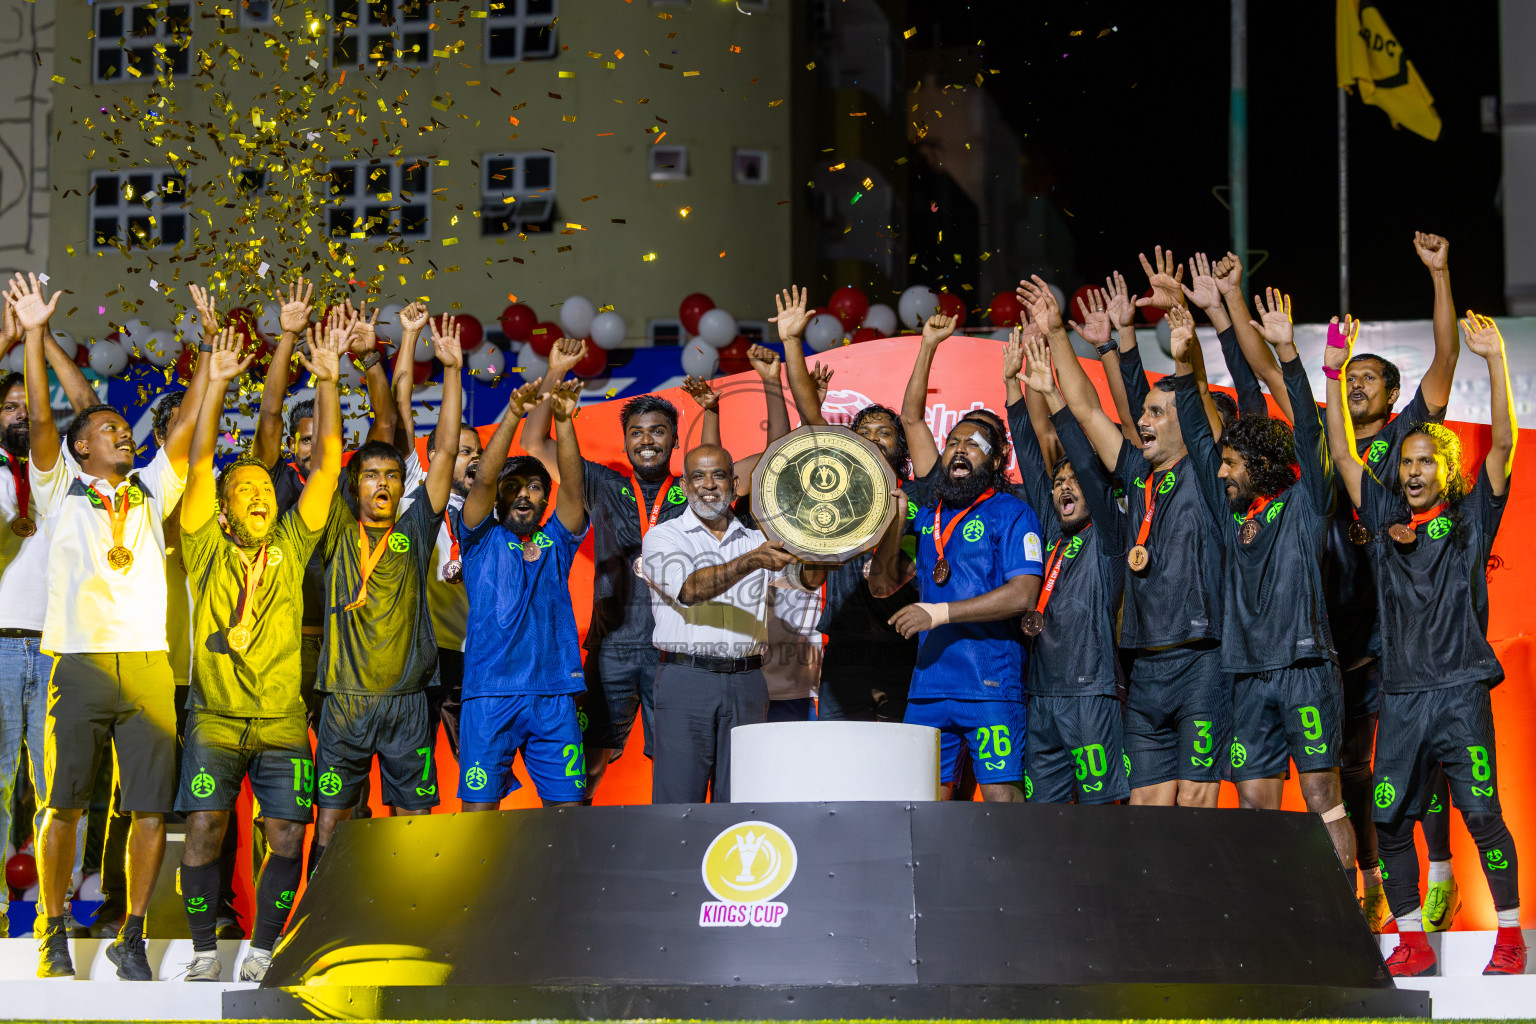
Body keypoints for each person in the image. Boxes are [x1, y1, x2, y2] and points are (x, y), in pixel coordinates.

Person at [1226, 234, 1464, 927]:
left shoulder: (1405, 440)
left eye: (1371, 378)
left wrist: (1441, 275)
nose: (1356, 383)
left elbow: (1446, 358)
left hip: (1396, 627)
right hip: (1331, 636)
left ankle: (1441, 865)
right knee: (1352, 772)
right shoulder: (1323, 449)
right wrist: (1233, 299)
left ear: (1393, 394)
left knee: (1419, 752)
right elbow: (1267, 367)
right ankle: (1369, 888)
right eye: (1348, 375)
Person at [12, 272, 202, 979]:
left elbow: (182, 432)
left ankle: (131, 932)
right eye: (106, 430)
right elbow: (40, 419)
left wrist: (210, 356)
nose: (122, 433)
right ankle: (52, 927)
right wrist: (34, 335)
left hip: (149, 665)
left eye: (125, 429)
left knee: (150, 810)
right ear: (81, 448)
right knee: (65, 806)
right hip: (82, 662)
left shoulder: (151, 490)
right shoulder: (61, 489)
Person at [1326, 311, 1524, 977]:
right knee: (1385, 821)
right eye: (1405, 462)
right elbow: (1348, 455)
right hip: (1402, 698)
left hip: (1460, 695)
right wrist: (1331, 370)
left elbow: (1501, 443)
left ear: (1444, 468)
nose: (1411, 472)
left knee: (1481, 814)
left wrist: (1494, 360)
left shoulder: (1469, 524)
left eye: (1422, 462)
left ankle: (1510, 934)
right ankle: (1409, 938)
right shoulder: (1383, 520)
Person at [176, 322, 343, 982]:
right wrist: (215, 382)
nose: (260, 494)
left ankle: (264, 949)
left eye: (266, 488)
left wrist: (327, 379)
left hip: (280, 721)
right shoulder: (205, 548)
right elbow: (196, 463)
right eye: (244, 488)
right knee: (205, 831)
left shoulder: (292, 545)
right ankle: (201, 953)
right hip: (214, 719)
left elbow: (328, 468)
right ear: (220, 509)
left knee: (286, 837)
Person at [1170, 296, 1354, 872]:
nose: (1221, 472)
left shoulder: (1305, 504)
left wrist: (1291, 356)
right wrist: (1182, 366)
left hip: (1304, 670)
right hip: (1245, 674)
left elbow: (1310, 435)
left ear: (1259, 464)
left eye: (1232, 463)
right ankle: (1277, 927)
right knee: (1255, 808)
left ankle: (1347, 930)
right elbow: (1199, 440)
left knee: (1325, 803)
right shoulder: (1233, 515)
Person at [1032, 273, 1228, 809]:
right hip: (1143, 664)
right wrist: (1055, 333)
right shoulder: (1137, 472)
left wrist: (1185, 348)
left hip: (1201, 661)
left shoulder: (1206, 472)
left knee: (1196, 802)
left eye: (1154, 412)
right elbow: (1088, 410)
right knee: (1145, 811)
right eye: (1142, 412)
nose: (1140, 418)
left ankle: (1204, 896)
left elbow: (1199, 405)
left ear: (1184, 425)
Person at [307, 316, 463, 871]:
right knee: (331, 819)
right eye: (370, 475)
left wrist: (452, 372)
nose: (381, 483)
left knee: (412, 819)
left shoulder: (415, 529)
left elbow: (444, 452)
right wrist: (327, 381)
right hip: (343, 703)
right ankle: (316, 925)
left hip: (407, 705)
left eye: (391, 476)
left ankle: (406, 918)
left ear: (403, 485)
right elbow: (327, 460)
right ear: (357, 486)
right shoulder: (336, 530)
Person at [520, 338, 691, 799]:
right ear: (626, 441)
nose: (647, 440)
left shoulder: (696, 487)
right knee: (588, 763)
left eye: (658, 431)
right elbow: (534, 443)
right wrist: (555, 372)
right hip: (611, 646)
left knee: (675, 765)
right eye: (637, 432)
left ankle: (669, 852)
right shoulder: (603, 482)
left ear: (674, 438)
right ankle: (574, 853)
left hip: (672, 649)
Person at [866, 414, 1044, 802]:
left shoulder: (1014, 513)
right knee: (920, 807)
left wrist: (939, 613)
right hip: (928, 689)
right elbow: (881, 585)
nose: (959, 448)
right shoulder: (928, 518)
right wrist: (897, 525)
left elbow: (1024, 594)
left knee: (1002, 805)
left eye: (974, 443)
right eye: (953, 442)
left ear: (996, 461)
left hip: (989, 686)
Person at [773, 285, 921, 722]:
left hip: (904, 646)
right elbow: (809, 415)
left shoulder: (923, 494)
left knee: (899, 771)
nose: (874, 438)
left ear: (902, 446)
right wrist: (791, 342)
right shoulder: (837, 488)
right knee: (842, 768)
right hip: (845, 647)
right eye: (865, 431)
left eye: (885, 432)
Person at [0, 300, 98, 940]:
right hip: (0, 647)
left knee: (63, 790)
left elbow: (89, 409)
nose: (18, 416)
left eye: (25, 408)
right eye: (6, 408)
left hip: (62, 646)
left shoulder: (63, 467)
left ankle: (54, 916)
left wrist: (40, 339)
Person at [641, 443, 813, 803]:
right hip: (686, 680)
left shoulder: (757, 540)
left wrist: (826, 542)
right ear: (685, 487)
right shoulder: (662, 536)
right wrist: (749, 562)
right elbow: (688, 589)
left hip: (748, 683)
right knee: (678, 803)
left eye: (718, 475)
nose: (708, 484)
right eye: (697, 476)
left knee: (741, 802)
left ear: (734, 485)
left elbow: (806, 579)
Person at [454, 379, 591, 809]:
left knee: (569, 817)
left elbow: (572, 486)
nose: (524, 495)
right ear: (498, 496)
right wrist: (512, 414)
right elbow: (482, 482)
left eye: (534, 487)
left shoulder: (556, 541)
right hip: (489, 693)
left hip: (554, 697)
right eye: (513, 487)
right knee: (479, 820)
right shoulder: (479, 538)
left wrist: (564, 423)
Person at [1008, 329, 1129, 804]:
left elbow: (1082, 460)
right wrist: (1013, 388)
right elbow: (1030, 459)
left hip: (1091, 692)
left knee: (1101, 816)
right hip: (1041, 694)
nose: (1064, 486)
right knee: (1044, 816)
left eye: (1076, 479)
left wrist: (1056, 398)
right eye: (1061, 482)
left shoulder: (1109, 532)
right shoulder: (1051, 533)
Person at [391, 304, 477, 759]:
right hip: (417, 653)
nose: (470, 459)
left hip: (468, 653)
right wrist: (409, 337)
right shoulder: (413, 490)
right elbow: (400, 404)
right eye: (461, 451)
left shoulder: (487, 512)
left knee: (480, 769)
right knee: (411, 770)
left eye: (475, 451)